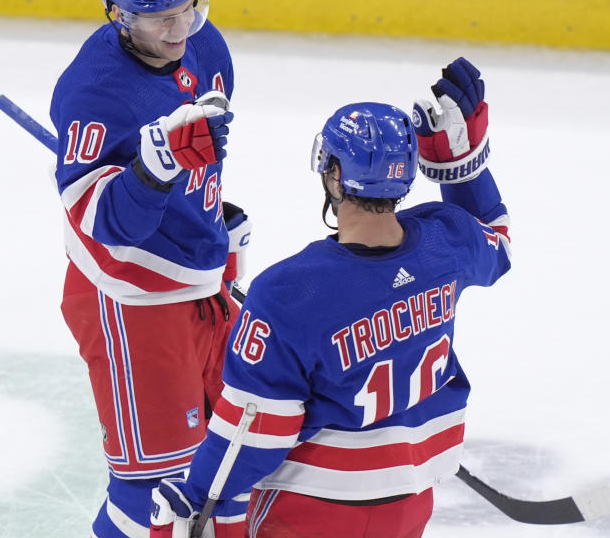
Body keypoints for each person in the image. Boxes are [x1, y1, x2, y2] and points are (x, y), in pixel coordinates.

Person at [149, 57, 512, 538]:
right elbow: (497, 241)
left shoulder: (287, 293)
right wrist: (458, 168)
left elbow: (252, 431)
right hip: (410, 504)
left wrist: (197, 502)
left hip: (312, 508)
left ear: (335, 175)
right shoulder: (448, 241)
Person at [48, 0, 251, 538]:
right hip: (131, 300)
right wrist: (152, 169)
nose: (178, 30)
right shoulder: (93, 92)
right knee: (157, 489)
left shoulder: (206, 46)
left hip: (201, 278)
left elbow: (206, 155)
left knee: (236, 452)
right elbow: (101, 223)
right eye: (159, 18)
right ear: (118, 14)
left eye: (188, 7)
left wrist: (215, 224)